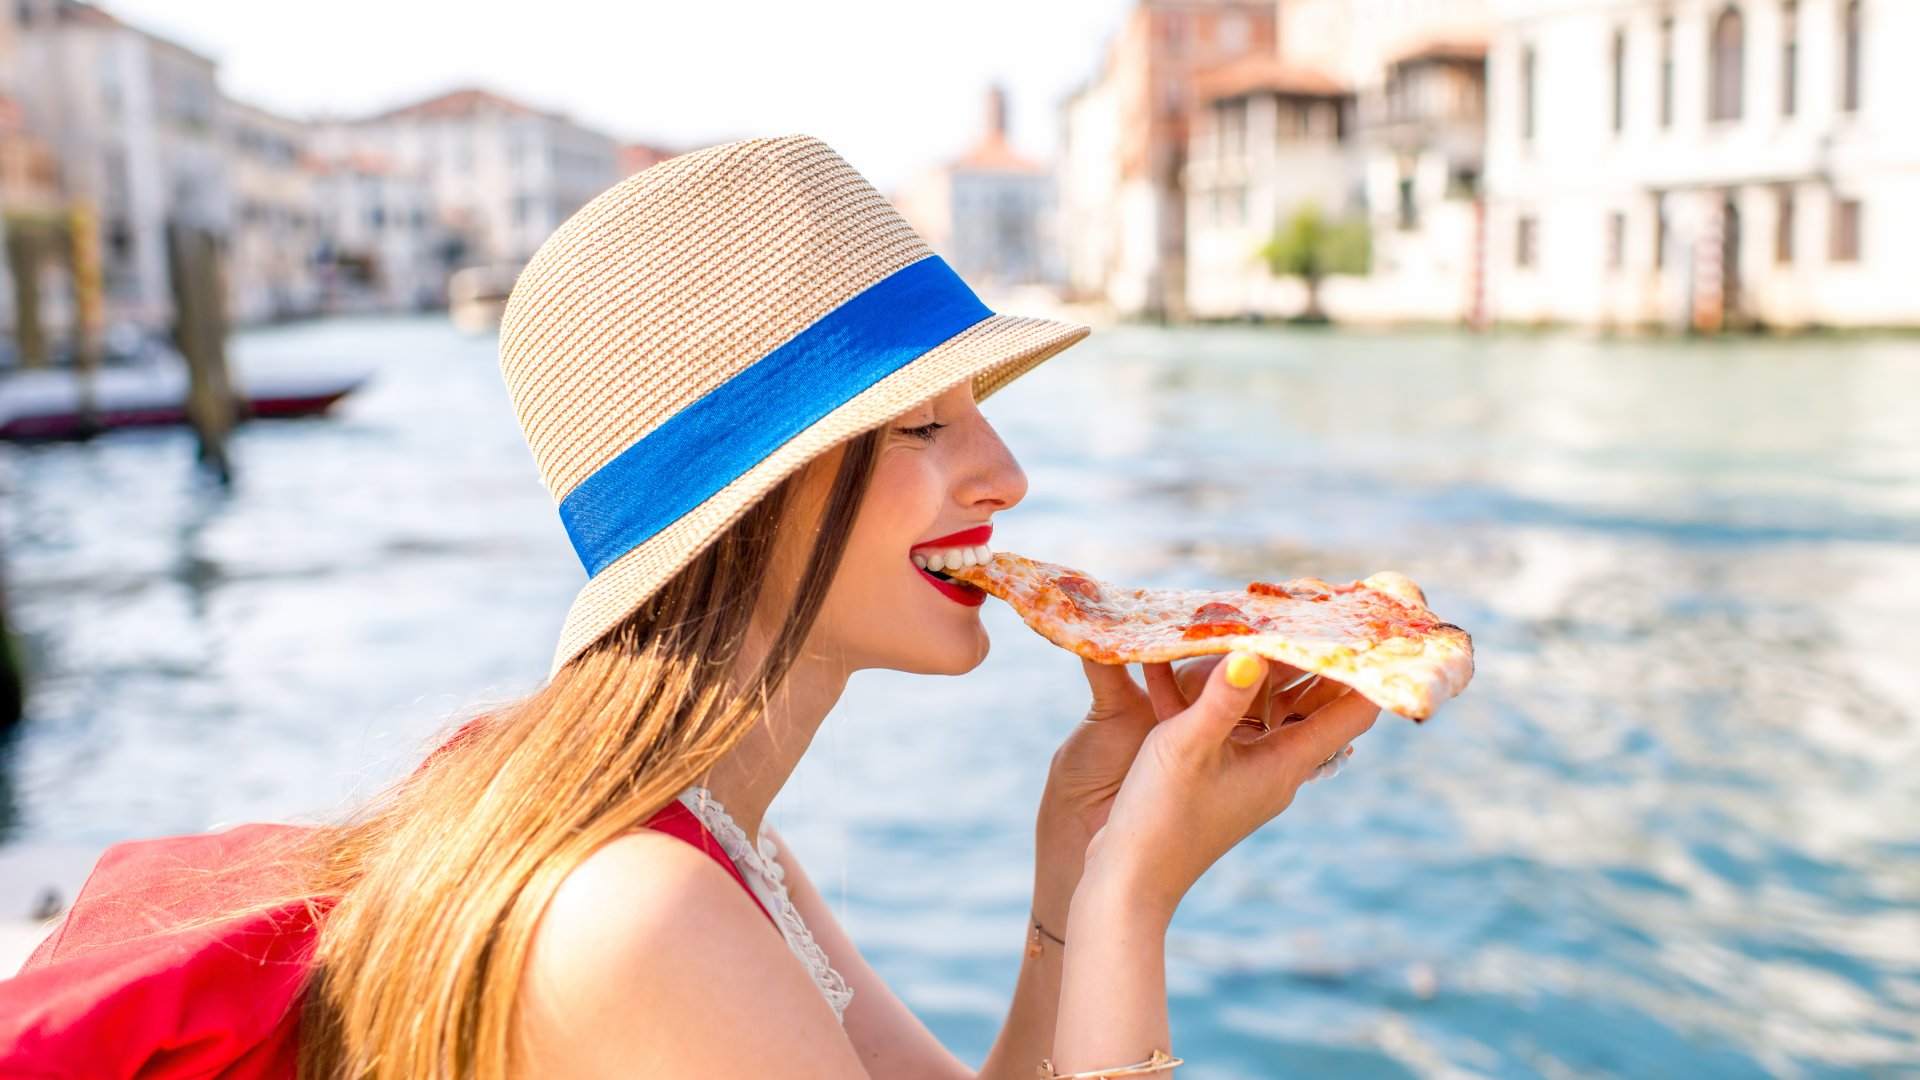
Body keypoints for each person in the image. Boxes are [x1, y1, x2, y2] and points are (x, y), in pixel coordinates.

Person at [0, 135, 1377, 1079]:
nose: (1005, 476)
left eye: (981, 413)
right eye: (918, 426)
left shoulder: (704, 835)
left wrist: (1081, 863)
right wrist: (1137, 900)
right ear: (750, 495)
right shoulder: (641, 910)